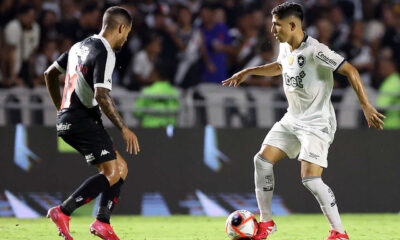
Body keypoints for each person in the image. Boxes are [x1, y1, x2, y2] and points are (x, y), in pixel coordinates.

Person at [222, 2, 385, 240]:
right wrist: (249, 71)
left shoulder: (316, 50)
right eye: (272, 24)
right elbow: (280, 67)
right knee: (262, 161)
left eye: (277, 25)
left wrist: (366, 105)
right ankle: (267, 223)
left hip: (317, 122)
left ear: (293, 24)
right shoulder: (286, 47)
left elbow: (350, 70)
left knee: (310, 178)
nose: (272, 30)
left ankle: (339, 233)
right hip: (293, 118)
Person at [44, 6, 140, 240]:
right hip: (83, 119)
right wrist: (124, 128)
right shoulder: (106, 52)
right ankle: (63, 210)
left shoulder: (79, 46)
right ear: (121, 27)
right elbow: (102, 96)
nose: (126, 39)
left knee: (121, 168)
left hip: (69, 119)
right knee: (112, 172)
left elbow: (49, 74)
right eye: (127, 34)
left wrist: (60, 107)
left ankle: (102, 222)